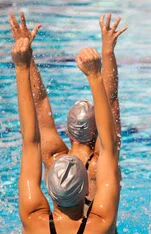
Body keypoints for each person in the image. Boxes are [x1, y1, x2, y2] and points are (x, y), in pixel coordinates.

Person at [12, 15, 121, 234]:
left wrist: (22, 65)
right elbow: (111, 143)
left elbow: (30, 138)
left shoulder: (32, 218)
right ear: (89, 189)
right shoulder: (101, 224)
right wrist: (95, 75)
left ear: (48, 188)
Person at [12, 12, 126, 201]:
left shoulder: (53, 157)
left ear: (66, 129)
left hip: (57, 228)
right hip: (99, 229)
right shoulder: (102, 161)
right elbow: (111, 100)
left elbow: (39, 104)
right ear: (99, 128)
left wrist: (27, 59)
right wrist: (108, 51)